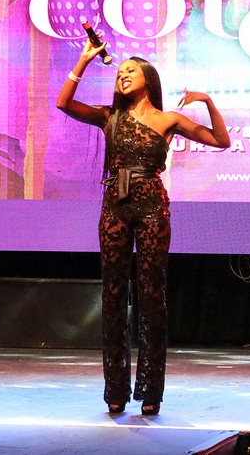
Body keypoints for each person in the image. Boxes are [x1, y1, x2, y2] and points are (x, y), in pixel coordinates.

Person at [56, 39, 230, 416]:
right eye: (119, 72)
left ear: (148, 79)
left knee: (152, 295)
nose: (122, 75)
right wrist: (83, 61)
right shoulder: (109, 117)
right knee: (113, 294)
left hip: (152, 205)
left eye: (130, 71)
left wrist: (207, 101)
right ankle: (115, 389)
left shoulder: (168, 120)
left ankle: (151, 389)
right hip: (114, 204)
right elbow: (64, 103)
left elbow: (221, 140)